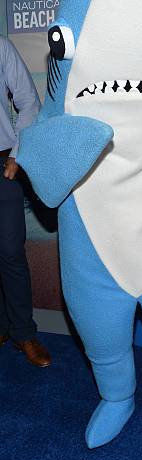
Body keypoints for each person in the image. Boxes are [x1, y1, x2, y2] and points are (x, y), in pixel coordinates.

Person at [0, 35, 51, 367]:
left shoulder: (1, 46)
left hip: (3, 163)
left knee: (10, 252)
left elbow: (29, 100)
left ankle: (23, 332)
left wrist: (18, 153)